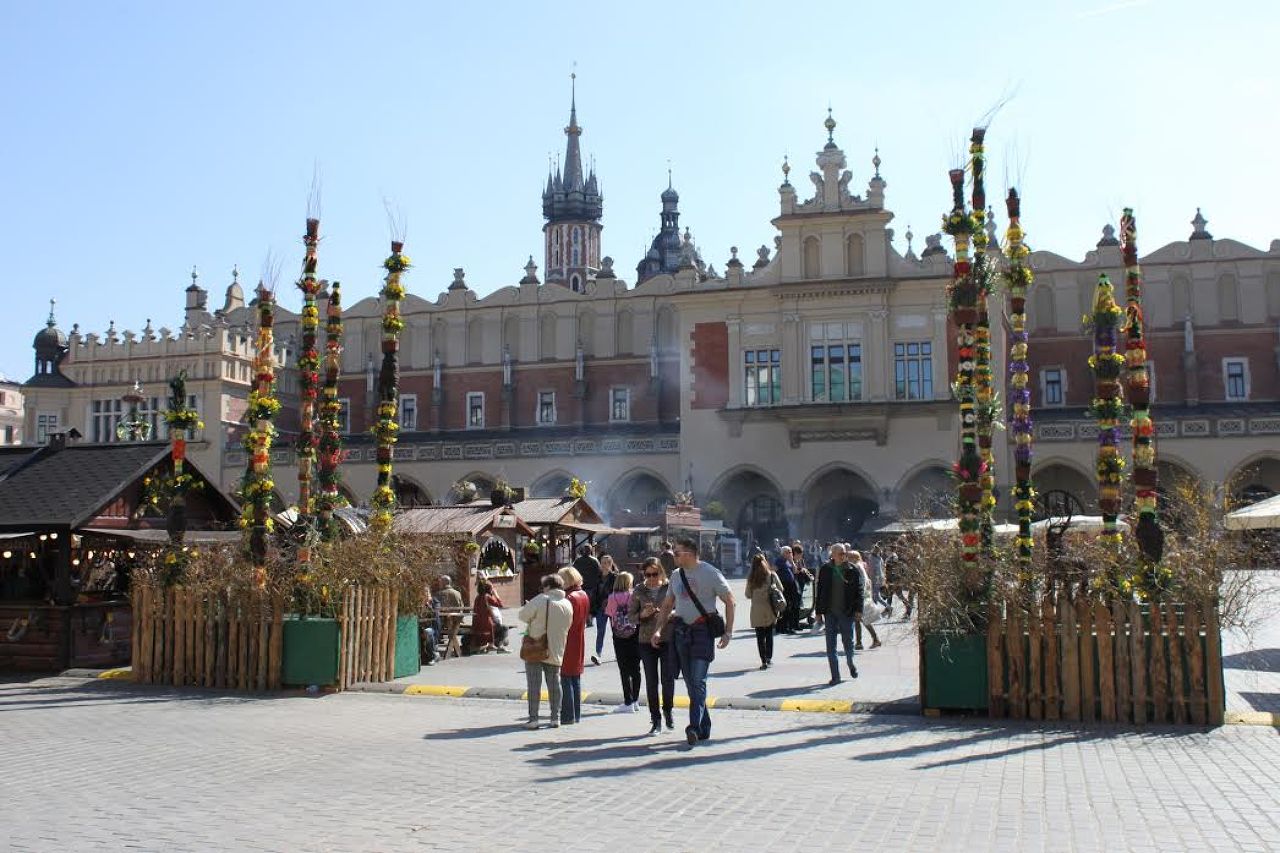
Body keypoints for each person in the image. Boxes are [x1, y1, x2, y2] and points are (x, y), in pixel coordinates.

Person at [652, 536, 735, 746]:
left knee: (698, 682)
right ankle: (704, 728)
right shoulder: (675, 575)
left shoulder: (710, 572)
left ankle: (693, 727)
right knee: (692, 686)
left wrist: (728, 633)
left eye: (677, 552)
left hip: (702, 633)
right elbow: (667, 604)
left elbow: (730, 601)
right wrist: (658, 630)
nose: (674, 556)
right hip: (681, 633)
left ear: (689, 553)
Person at [518, 573, 574, 729]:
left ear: (548, 586)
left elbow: (522, 616)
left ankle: (534, 719)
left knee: (534, 684)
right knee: (555, 684)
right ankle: (555, 718)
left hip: (536, 646)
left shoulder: (541, 599)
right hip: (556, 647)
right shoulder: (567, 603)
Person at [630, 557, 675, 734]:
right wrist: (643, 614)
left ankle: (668, 711)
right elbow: (630, 616)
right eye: (647, 574)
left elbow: (680, 608)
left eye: (654, 574)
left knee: (668, 679)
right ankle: (655, 719)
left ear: (661, 572)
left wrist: (669, 613)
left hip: (667, 637)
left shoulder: (670, 587)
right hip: (646, 640)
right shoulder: (639, 590)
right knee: (651, 681)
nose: (651, 578)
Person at [815, 543, 863, 685]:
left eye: (844, 553)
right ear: (833, 555)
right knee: (831, 646)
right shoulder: (825, 569)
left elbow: (859, 591)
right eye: (841, 553)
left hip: (846, 612)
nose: (844, 556)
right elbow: (820, 590)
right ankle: (835, 676)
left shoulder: (852, 569)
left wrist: (859, 610)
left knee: (848, 642)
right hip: (830, 613)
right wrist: (818, 612)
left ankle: (850, 662)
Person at [556, 566, 591, 724]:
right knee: (575, 677)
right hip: (579, 638)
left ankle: (567, 715)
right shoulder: (583, 594)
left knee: (565, 677)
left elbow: (563, 621)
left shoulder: (569, 598)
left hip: (567, 639)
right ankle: (576, 714)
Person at [605, 570, 641, 713]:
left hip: (619, 636)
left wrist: (616, 631)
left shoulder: (612, 597)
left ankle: (628, 701)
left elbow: (610, 616)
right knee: (636, 669)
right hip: (635, 634)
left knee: (624, 669)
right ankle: (636, 700)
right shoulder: (634, 596)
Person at [744, 553, 783, 669]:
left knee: (760, 636)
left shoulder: (751, 579)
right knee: (769, 634)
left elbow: (747, 594)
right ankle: (769, 657)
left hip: (757, 610)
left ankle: (763, 660)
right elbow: (781, 589)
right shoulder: (772, 575)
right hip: (770, 608)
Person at [848, 550, 881, 650]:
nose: (847, 559)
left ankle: (861, 642)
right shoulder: (860, 565)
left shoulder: (857, 566)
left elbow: (861, 582)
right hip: (863, 595)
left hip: (860, 596)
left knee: (859, 619)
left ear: (854, 558)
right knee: (860, 619)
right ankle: (870, 640)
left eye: (849, 557)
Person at [589, 553, 617, 665]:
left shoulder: (615, 577)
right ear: (600, 564)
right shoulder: (597, 577)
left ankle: (617, 653)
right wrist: (591, 610)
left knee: (616, 631)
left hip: (613, 608)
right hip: (601, 608)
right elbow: (594, 594)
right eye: (603, 563)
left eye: (608, 563)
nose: (605, 565)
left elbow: (618, 592)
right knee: (600, 631)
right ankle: (598, 654)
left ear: (611, 564)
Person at [471, 579, 506, 653]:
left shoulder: (477, 597)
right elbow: (500, 605)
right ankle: (496, 645)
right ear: (489, 589)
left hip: (477, 623)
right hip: (486, 623)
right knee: (504, 628)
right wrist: (496, 595)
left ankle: (490, 644)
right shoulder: (487, 596)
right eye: (492, 588)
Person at [773, 545, 799, 633]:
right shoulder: (779, 560)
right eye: (789, 552)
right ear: (783, 553)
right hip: (784, 585)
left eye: (791, 552)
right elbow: (773, 571)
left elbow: (795, 571)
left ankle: (787, 626)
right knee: (785, 606)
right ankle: (783, 627)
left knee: (790, 605)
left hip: (790, 584)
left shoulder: (788, 561)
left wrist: (792, 562)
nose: (790, 554)